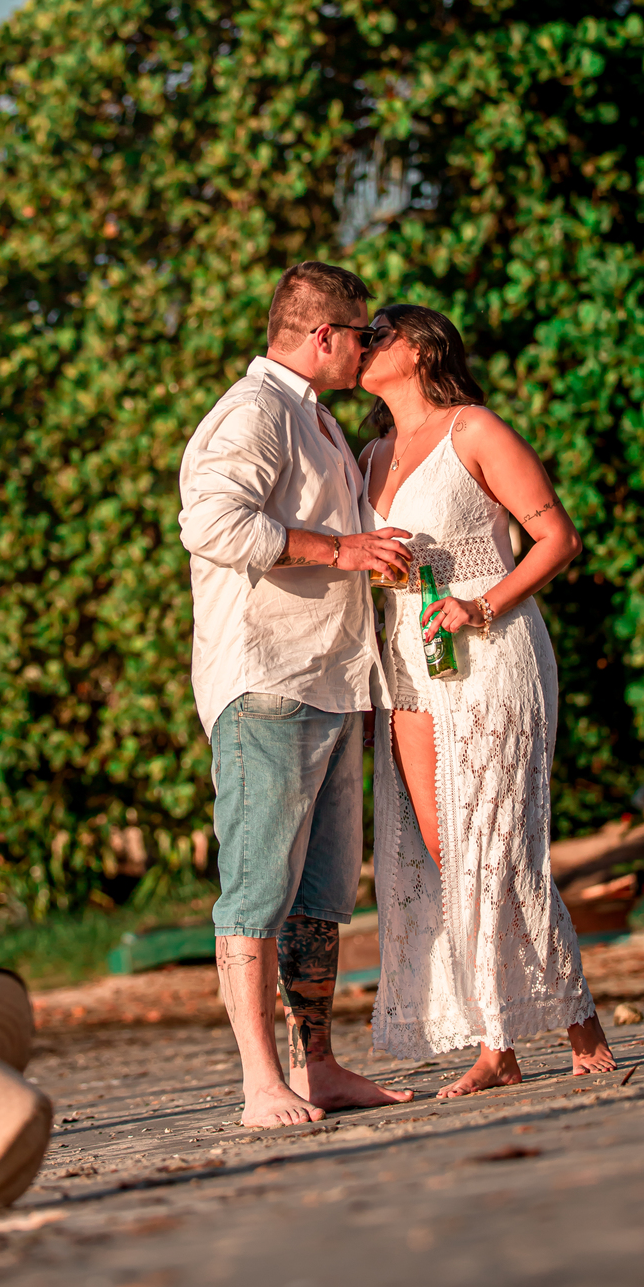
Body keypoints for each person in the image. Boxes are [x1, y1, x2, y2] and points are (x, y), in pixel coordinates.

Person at [178, 260, 416, 1127]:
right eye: (362, 334)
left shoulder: (310, 419)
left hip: (331, 678)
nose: (369, 347)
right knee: (256, 888)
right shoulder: (256, 412)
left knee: (322, 893)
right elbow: (208, 523)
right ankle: (258, 1080)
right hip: (267, 681)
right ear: (324, 337)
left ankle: (317, 1065)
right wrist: (339, 551)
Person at [357, 304, 615, 1095]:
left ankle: (582, 1027)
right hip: (408, 656)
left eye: (380, 334)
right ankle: (495, 1046)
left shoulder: (475, 430)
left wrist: (481, 606)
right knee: (443, 854)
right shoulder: (367, 454)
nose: (365, 345)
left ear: (423, 348)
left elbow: (557, 538)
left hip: (493, 648)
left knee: (496, 847)